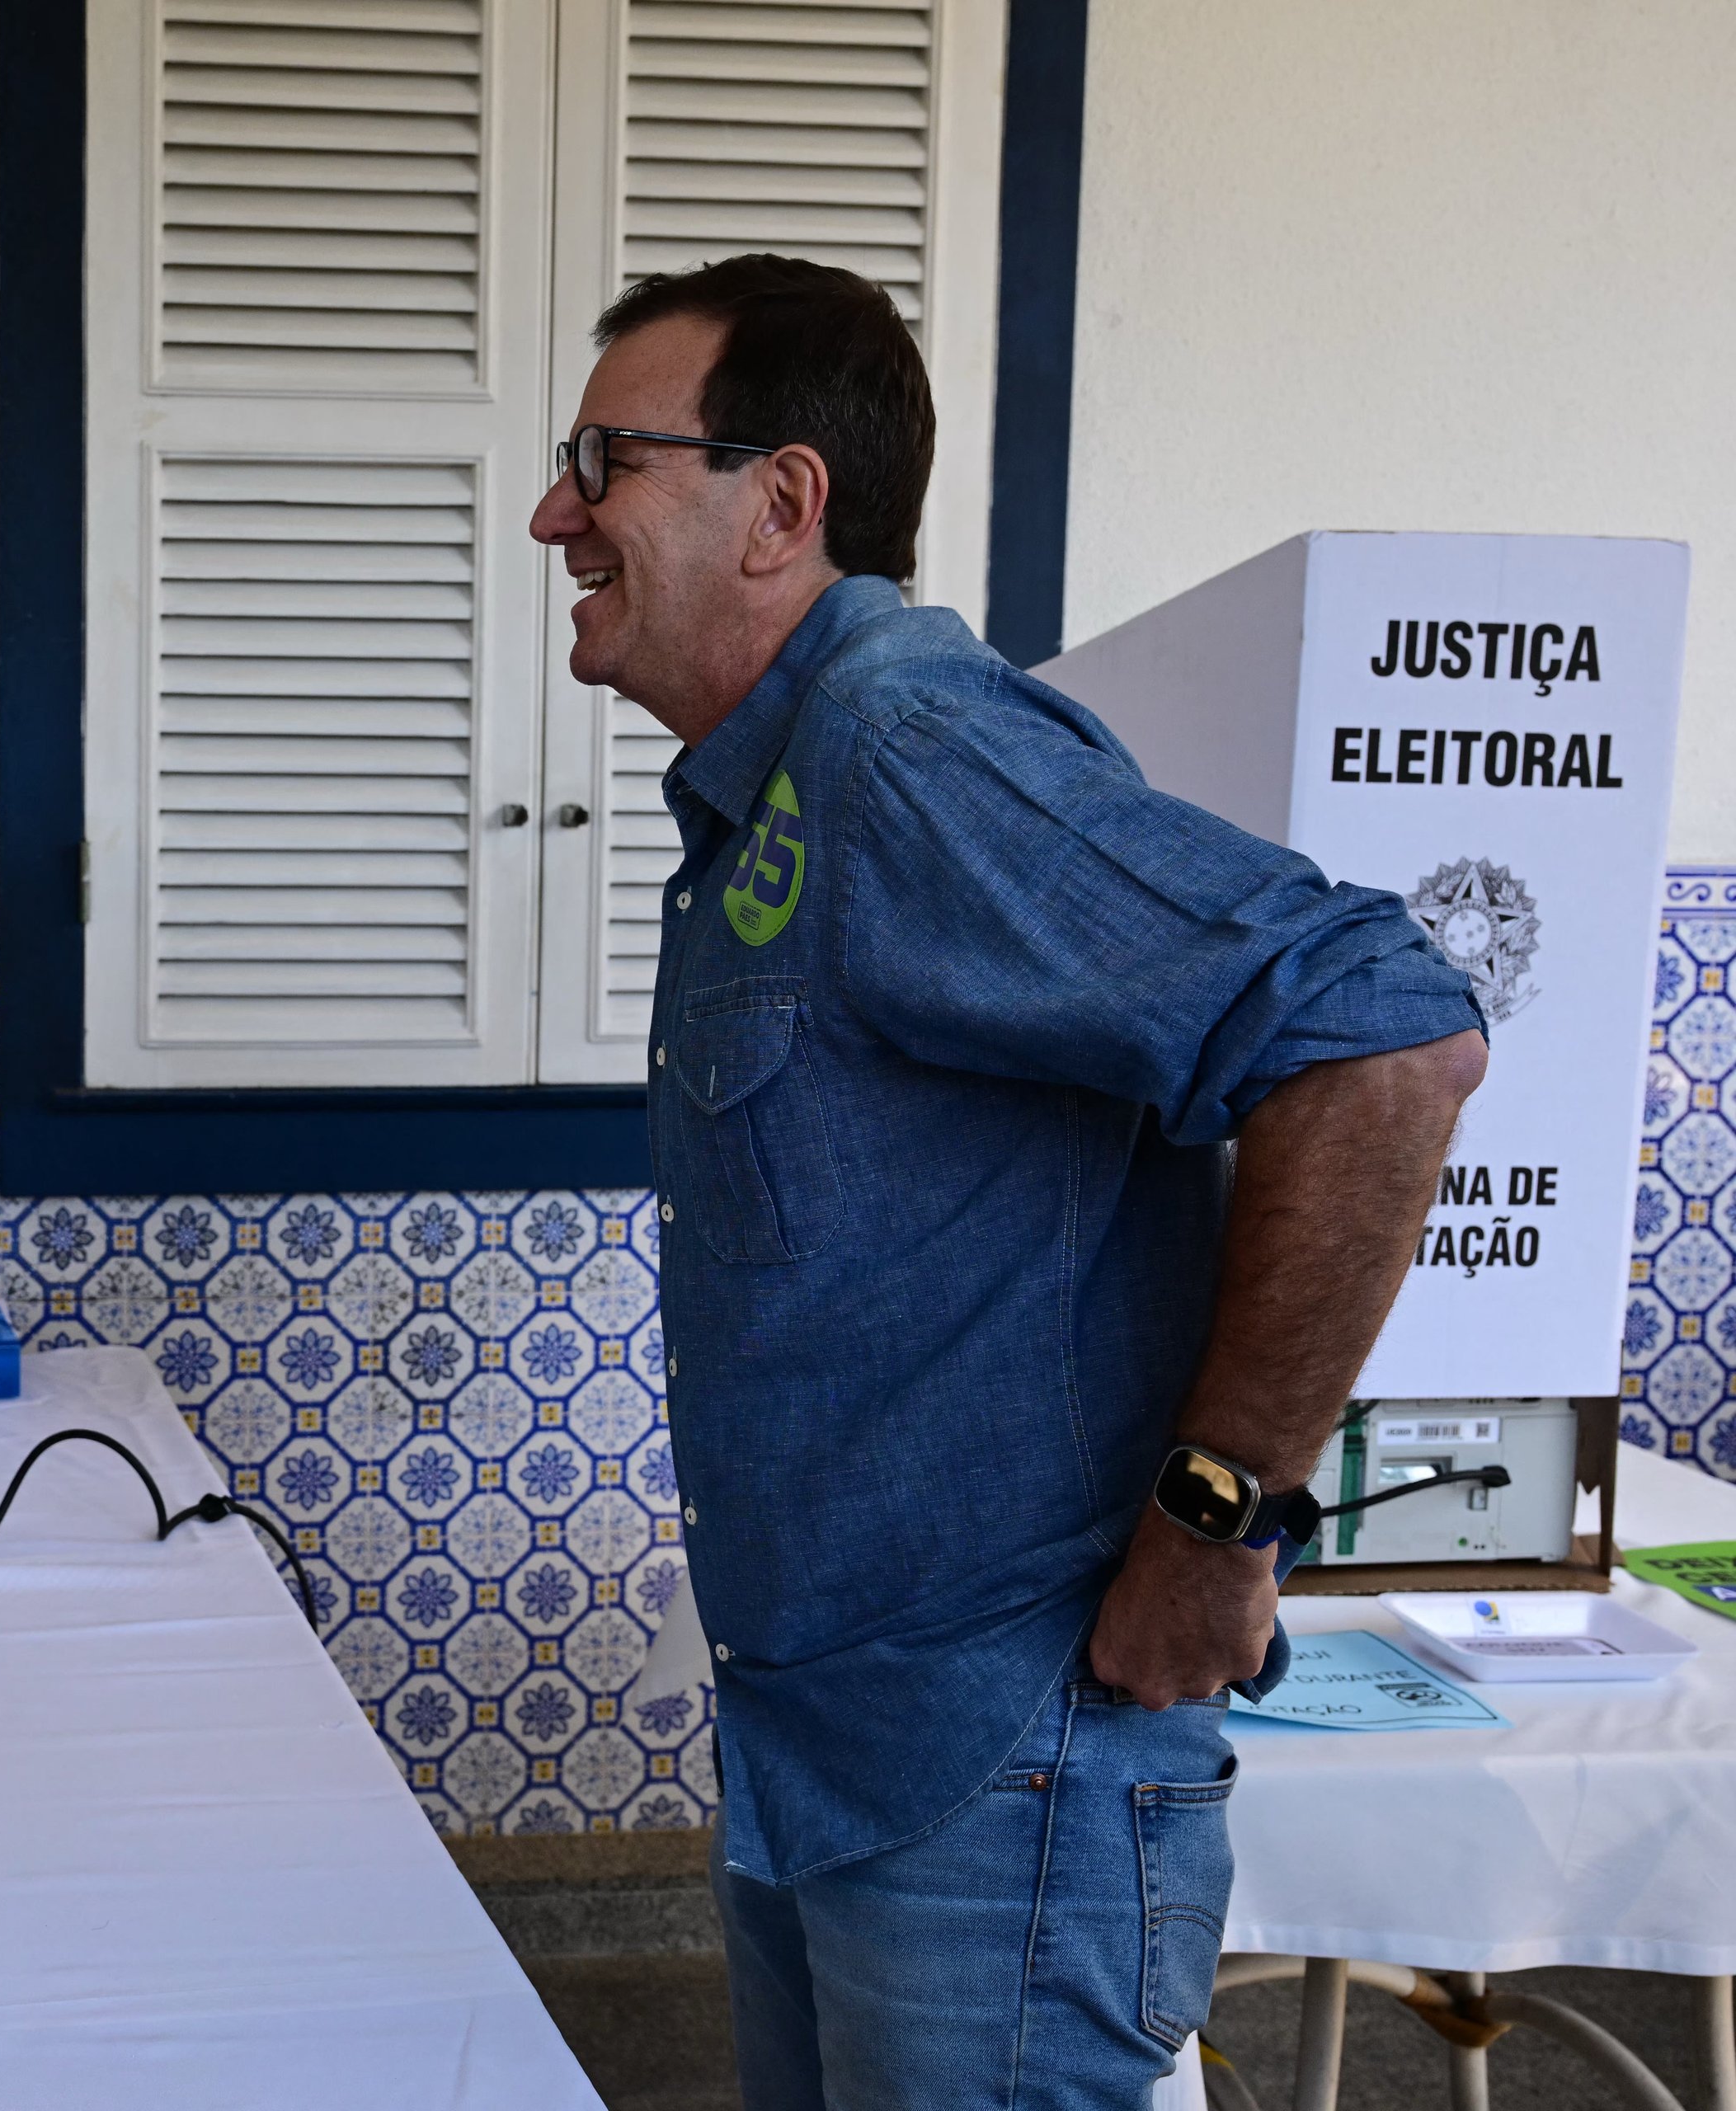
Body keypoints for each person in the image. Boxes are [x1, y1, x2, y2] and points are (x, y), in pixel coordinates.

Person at [529, 254, 1489, 2109]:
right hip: (840, 1754)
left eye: (607, 459)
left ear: (782, 503)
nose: (556, 510)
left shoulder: (906, 748)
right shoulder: (782, 786)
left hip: (1001, 1775)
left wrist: (1219, 1521)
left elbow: (1380, 1035)